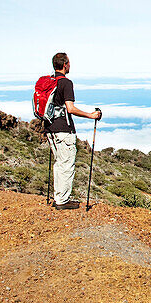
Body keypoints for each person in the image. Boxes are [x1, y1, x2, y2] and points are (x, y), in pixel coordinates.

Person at [44, 52, 101, 210]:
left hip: (49, 129)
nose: (70, 66)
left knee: (59, 163)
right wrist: (91, 115)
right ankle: (63, 201)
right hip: (63, 130)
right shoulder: (66, 83)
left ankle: (59, 197)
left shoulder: (50, 82)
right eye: (69, 63)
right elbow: (70, 108)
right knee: (67, 163)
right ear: (64, 65)